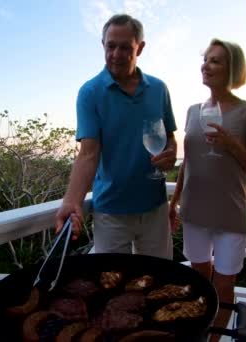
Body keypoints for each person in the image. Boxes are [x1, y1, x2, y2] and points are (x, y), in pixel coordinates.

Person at [54, 14, 178, 260]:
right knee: (113, 284)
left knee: (158, 280)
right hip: (111, 211)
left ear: (140, 48)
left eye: (125, 47)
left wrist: (171, 154)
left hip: (155, 207)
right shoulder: (90, 92)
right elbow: (88, 154)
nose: (116, 54)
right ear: (103, 44)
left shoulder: (159, 89)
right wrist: (72, 201)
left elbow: (170, 138)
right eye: (111, 46)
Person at [168, 38, 246, 341]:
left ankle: (213, 339)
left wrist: (231, 145)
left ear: (232, 69)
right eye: (206, 59)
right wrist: (174, 203)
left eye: (216, 61)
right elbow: (188, 163)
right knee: (199, 279)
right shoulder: (192, 110)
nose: (206, 65)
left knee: (224, 286)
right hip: (194, 210)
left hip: (230, 212)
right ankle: (198, 333)